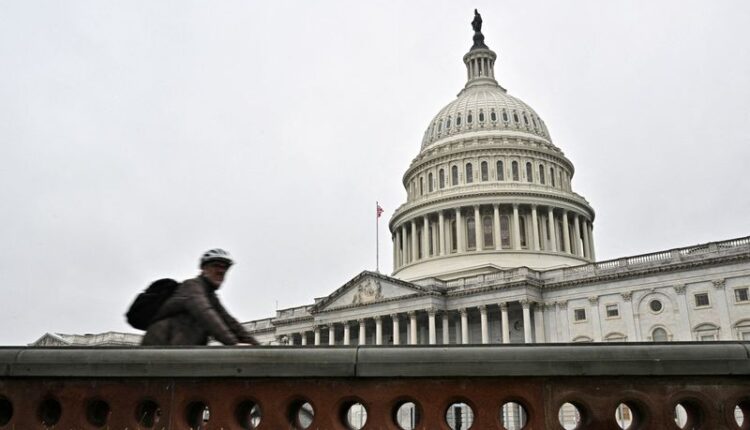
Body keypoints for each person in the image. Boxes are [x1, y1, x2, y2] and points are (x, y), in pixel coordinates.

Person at [141, 248, 259, 346]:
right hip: (161, 348)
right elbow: (206, 314)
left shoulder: (211, 297)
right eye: (216, 266)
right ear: (204, 269)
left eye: (224, 268)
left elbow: (230, 322)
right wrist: (233, 344)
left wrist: (259, 349)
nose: (220, 271)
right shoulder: (191, 287)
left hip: (179, 350)